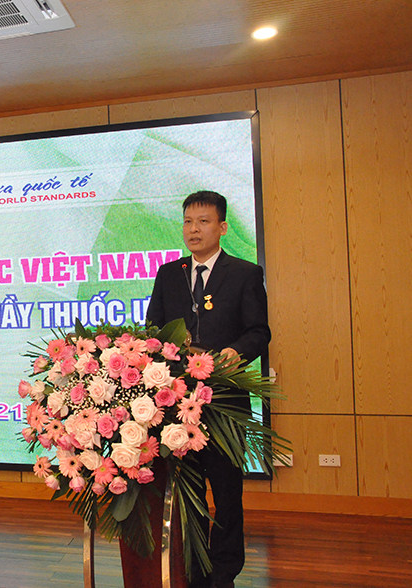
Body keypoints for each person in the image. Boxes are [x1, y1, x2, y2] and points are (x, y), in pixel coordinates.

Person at [146, 190, 270, 588]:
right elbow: (153, 330)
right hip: (179, 402)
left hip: (225, 402)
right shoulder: (169, 273)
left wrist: (237, 351)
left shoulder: (244, 273)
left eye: (203, 222)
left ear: (222, 227)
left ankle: (225, 571)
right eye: (188, 222)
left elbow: (259, 331)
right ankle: (196, 569)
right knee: (190, 491)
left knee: (227, 490)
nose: (193, 230)